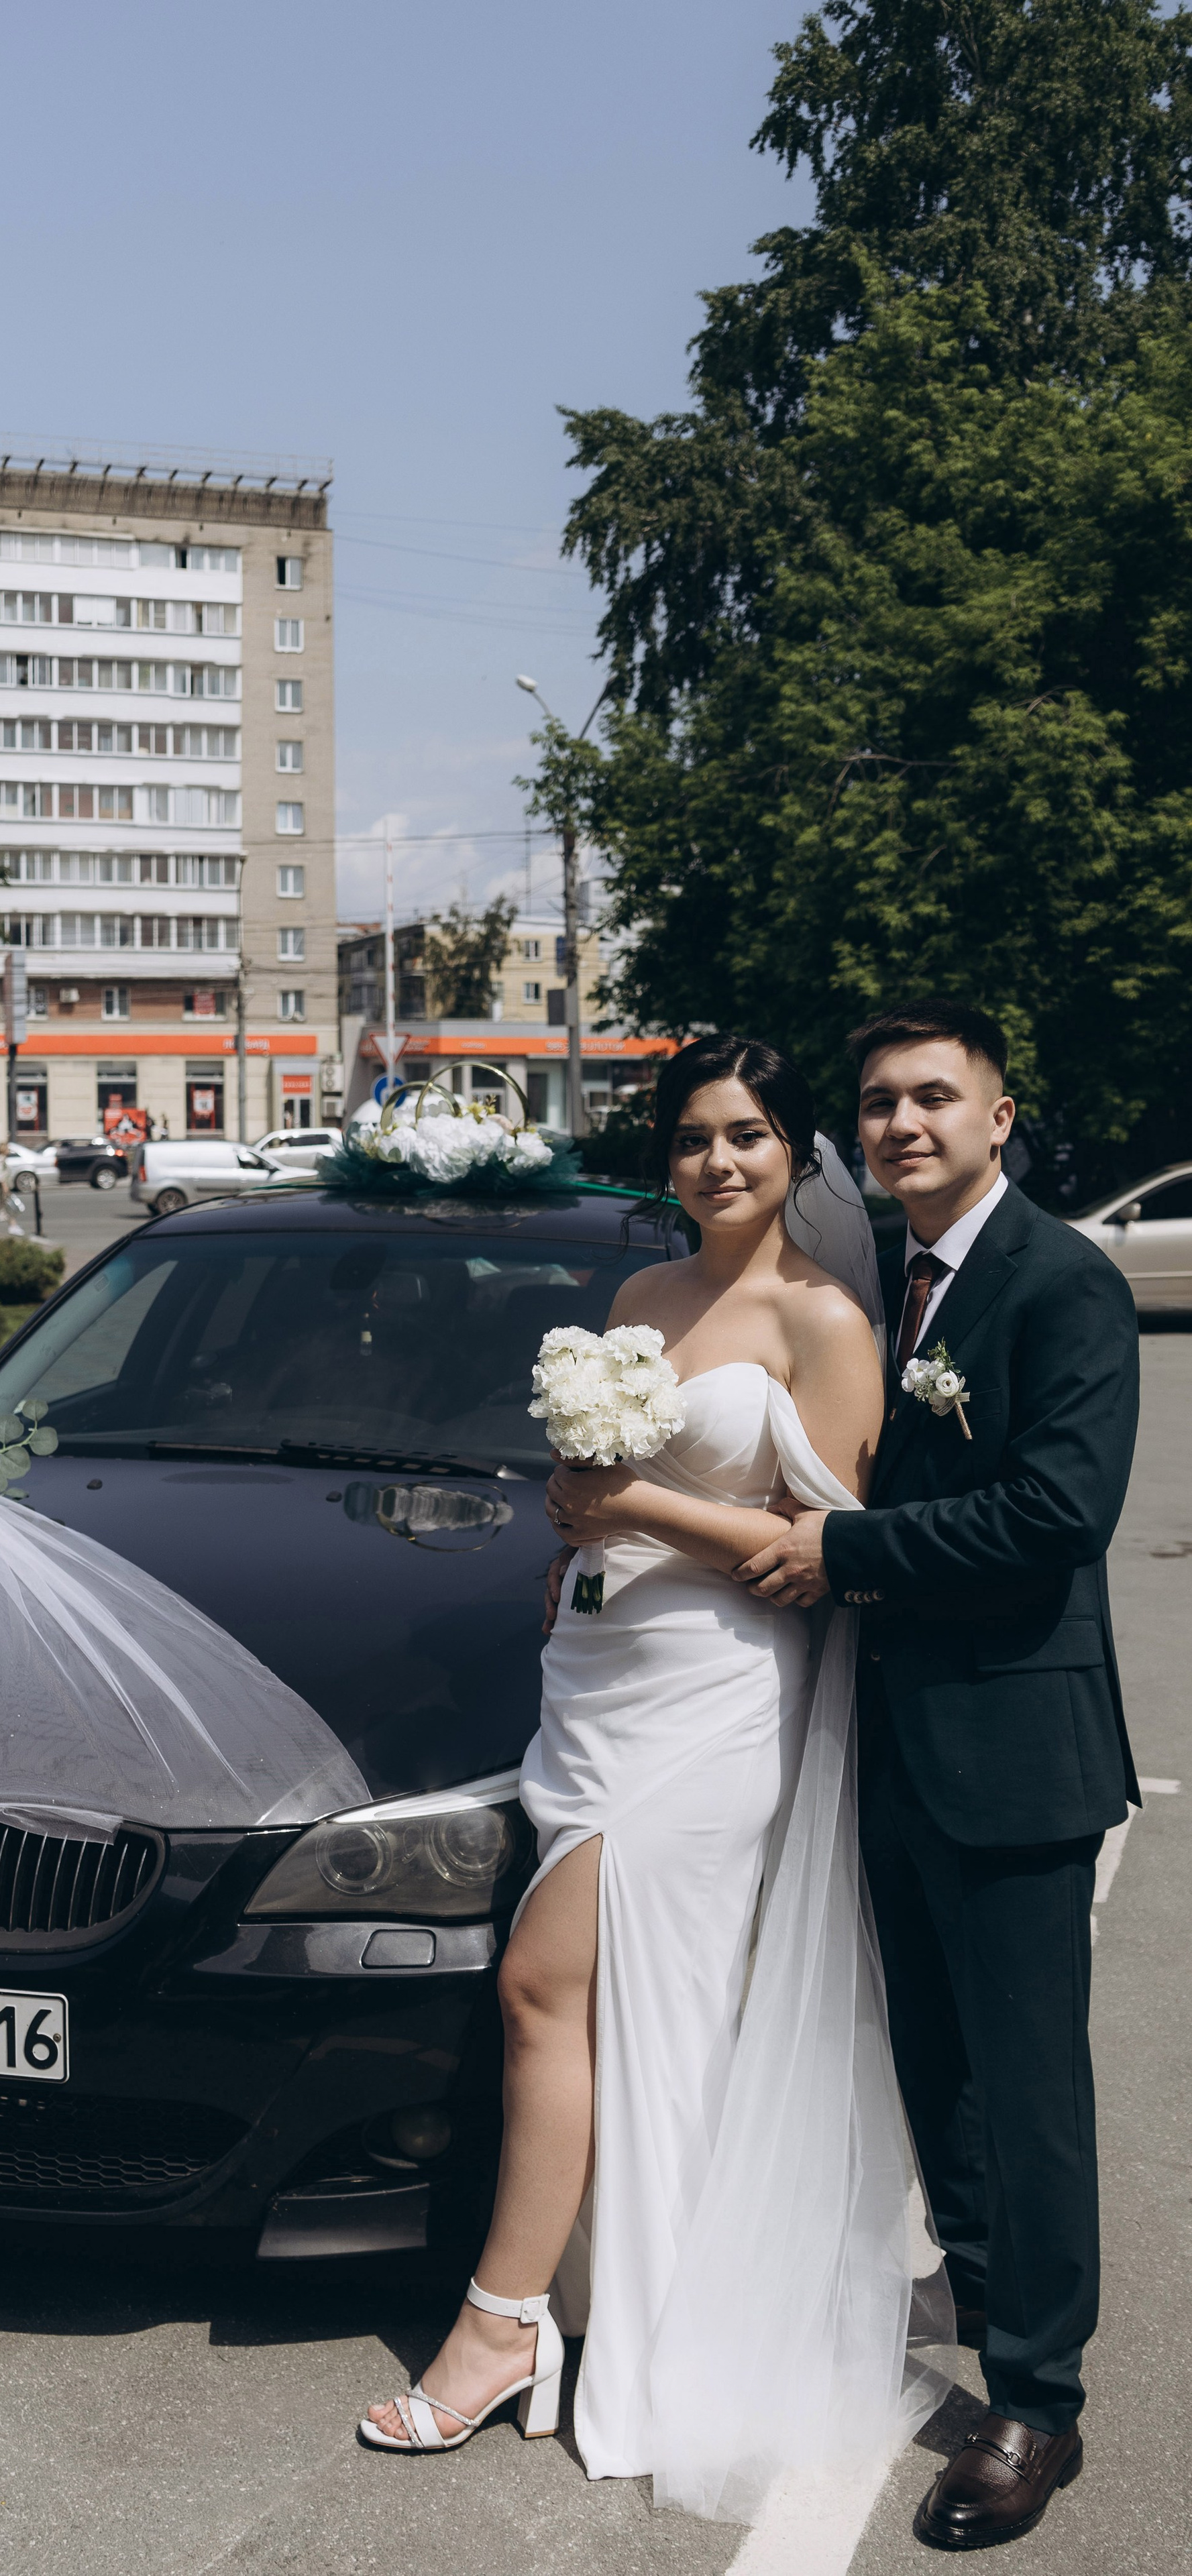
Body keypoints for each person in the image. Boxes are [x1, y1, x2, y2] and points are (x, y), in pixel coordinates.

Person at [362, 1033, 949, 2518]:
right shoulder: (637, 1300)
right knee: (627, 2012)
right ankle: (631, 2295)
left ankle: (500, 2324)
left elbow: (823, 1552)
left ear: (793, 1151)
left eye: (746, 1133)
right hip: (592, 1674)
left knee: (539, 1985)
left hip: (716, 1698)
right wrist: (575, 1530)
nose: (717, 1161)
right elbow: (599, 1492)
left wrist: (633, 1503)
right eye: (692, 1136)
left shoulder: (822, 1321)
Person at [738, 999, 1139, 2551]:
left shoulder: (1059, 1281)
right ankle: (985, 2310)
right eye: (876, 1104)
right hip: (887, 1741)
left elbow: (1056, 1513)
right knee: (935, 2073)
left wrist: (843, 1549)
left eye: (930, 1097)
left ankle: (1037, 2400)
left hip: (1014, 1751)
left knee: (1025, 2092)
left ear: (995, 1115)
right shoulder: (882, 1287)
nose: (900, 1124)